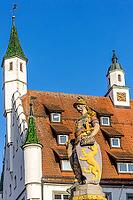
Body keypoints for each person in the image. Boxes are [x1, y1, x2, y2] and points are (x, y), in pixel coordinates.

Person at [67, 96, 100, 185]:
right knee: (75, 162)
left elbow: (97, 126)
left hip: (85, 141)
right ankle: (79, 179)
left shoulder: (90, 116)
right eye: (77, 107)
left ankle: (88, 178)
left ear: (84, 105)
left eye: (79, 106)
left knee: (85, 161)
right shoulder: (78, 120)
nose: (78, 108)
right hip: (77, 142)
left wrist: (90, 136)